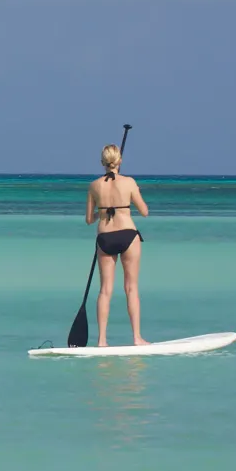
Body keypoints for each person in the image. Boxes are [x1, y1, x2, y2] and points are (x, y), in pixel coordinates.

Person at [87, 143, 149, 346]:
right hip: (128, 235)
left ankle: (102, 340)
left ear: (102, 162)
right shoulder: (129, 182)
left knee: (105, 290)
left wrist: (103, 211)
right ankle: (137, 337)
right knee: (131, 288)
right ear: (119, 161)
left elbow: (89, 219)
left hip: (105, 237)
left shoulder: (94, 185)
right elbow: (144, 211)